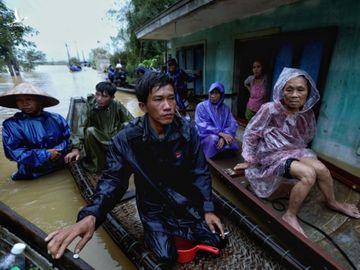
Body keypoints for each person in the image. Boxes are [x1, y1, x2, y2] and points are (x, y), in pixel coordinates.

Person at [46, 72, 225, 267]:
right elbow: (113, 181)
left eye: (171, 98)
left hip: (186, 202)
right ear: (143, 106)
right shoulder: (127, 139)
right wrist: (92, 215)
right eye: (158, 99)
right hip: (155, 209)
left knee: (217, 240)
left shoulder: (188, 131)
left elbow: (200, 172)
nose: (167, 106)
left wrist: (208, 209)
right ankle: (153, 232)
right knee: (166, 257)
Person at [234, 67, 360, 236]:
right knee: (308, 175)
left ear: (308, 92)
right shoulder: (269, 108)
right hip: (271, 154)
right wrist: (249, 159)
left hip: (294, 150)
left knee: (322, 170)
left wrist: (294, 149)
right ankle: (290, 215)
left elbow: (305, 137)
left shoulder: (306, 113)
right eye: (289, 89)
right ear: (281, 90)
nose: (294, 95)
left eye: (300, 89)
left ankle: (333, 202)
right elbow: (251, 134)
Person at [0, 83, 70, 180]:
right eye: (19, 100)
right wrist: (46, 154)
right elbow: (14, 153)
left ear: (39, 101)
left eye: (29, 99)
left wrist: (58, 151)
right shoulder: (11, 125)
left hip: (61, 167)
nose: (24, 104)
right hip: (32, 174)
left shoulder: (56, 118)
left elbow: (70, 138)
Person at [64, 81, 132, 173]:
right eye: (97, 94)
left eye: (104, 96)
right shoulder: (89, 105)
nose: (99, 99)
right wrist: (76, 148)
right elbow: (81, 126)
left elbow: (132, 122)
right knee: (90, 131)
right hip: (96, 140)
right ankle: (98, 166)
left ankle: (122, 159)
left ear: (112, 98)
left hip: (113, 139)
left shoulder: (117, 105)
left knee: (127, 126)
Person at [195, 81, 239, 158]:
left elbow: (232, 124)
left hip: (223, 135)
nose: (213, 96)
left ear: (221, 95)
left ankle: (219, 151)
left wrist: (224, 137)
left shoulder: (225, 108)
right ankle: (211, 154)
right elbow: (202, 125)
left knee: (232, 142)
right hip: (206, 135)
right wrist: (220, 133)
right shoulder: (201, 106)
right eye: (211, 93)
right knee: (213, 139)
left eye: (216, 93)